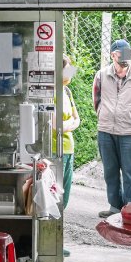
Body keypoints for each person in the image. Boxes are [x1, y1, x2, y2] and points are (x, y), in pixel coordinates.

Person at [93, 39, 131, 218]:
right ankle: (115, 207)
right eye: (122, 53)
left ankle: (130, 209)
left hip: (129, 132)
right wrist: (104, 115)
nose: (126, 58)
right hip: (106, 130)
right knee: (110, 171)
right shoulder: (101, 75)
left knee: (130, 173)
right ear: (113, 55)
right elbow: (96, 99)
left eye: (128, 54)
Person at [53, 56, 80, 209]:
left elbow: (77, 120)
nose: (70, 72)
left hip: (69, 148)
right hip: (56, 149)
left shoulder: (67, 91)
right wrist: (68, 124)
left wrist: (67, 124)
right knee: (56, 193)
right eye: (67, 68)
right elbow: (57, 126)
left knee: (65, 194)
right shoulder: (51, 92)